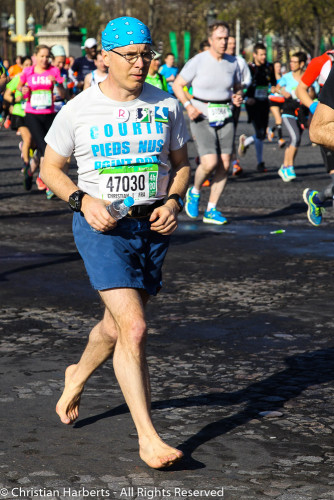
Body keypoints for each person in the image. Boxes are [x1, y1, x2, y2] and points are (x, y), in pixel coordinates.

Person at [40, 16, 190, 469]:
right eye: (129, 55)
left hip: (151, 229)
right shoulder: (79, 109)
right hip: (102, 228)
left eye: (147, 54)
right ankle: (149, 438)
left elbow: (183, 164)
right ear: (103, 56)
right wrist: (81, 200)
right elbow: (49, 168)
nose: (140, 63)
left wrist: (175, 201)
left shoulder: (167, 105)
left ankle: (77, 374)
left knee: (115, 326)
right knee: (135, 327)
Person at [173, 21, 242, 224]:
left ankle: (212, 209)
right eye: (220, 38)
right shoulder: (198, 61)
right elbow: (178, 85)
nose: (224, 42)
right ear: (211, 40)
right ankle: (194, 192)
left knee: (226, 163)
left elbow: (237, 87)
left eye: (226, 38)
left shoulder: (233, 62)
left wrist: (237, 96)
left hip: (225, 113)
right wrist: (188, 106)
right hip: (201, 114)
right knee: (210, 162)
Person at [19, 44, 65, 199]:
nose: (45, 59)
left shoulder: (54, 71)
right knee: (46, 148)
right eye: (42, 56)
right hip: (32, 114)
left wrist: (57, 84)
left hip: (50, 114)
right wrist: (23, 90)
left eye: (47, 57)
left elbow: (64, 93)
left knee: (46, 148)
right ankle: (47, 181)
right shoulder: (28, 71)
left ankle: (30, 170)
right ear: (35, 56)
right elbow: (19, 89)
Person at [296, 49, 334, 226]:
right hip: (327, 123)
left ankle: (317, 199)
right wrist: (312, 107)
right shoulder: (321, 61)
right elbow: (300, 89)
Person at [238, 42, 276, 172]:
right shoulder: (249, 68)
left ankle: (247, 142)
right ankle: (260, 162)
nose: (263, 57)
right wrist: (247, 98)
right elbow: (242, 86)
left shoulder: (269, 67)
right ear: (254, 55)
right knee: (259, 133)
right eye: (261, 54)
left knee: (262, 135)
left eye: (265, 54)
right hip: (252, 104)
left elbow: (273, 83)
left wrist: (275, 88)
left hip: (264, 103)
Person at [275, 51, 307, 182]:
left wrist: (306, 93)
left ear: (302, 64)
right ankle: (289, 167)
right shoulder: (287, 77)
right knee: (295, 137)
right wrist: (283, 91)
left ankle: (285, 166)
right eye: (291, 62)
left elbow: (313, 92)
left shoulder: (307, 77)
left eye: (295, 62)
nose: (291, 64)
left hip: (302, 112)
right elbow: (276, 88)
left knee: (295, 141)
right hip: (288, 110)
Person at [225, 36, 251, 176]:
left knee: (230, 133)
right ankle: (207, 162)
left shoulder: (240, 61)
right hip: (216, 103)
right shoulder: (217, 61)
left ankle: (234, 163)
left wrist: (240, 88)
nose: (231, 46)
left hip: (234, 102)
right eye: (229, 43)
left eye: (234, 43)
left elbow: (248, 79)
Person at [4, 56, 33, 177]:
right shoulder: (18, 78)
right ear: (22, 66)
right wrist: (15, 99)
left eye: (30, 65)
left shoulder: (34, 78)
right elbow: (6, 95)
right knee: (28, 139)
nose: (28, 67)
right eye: (26, 65)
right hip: (19, 113)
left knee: (34, 142)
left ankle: (25, 148)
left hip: (33, 113)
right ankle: (26, 165)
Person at [267, 60, 286, 147]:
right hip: (273, 101)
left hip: (282, 101)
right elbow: (269, 88)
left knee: (280, 120)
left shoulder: (283, 77)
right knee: (279, 119)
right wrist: (271, 89)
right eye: (277, 67)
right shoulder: (271, 78)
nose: (278, 68)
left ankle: (272, 130)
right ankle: (280, 139)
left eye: (279, 66)